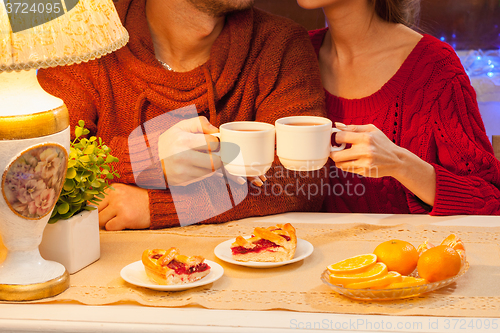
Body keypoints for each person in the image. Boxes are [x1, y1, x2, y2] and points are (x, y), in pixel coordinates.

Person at [38, 0, 328, 230]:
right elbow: (40, 167)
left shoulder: (279, 42)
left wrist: (157, 206)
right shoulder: (84, 37)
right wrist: (146, 158)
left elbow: (302, 178)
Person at [298, 0, 500, 214]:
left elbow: (491, 201)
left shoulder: (435, 66)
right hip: (308, 246)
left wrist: (401, 164)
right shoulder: (296, 58)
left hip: (407, 246)